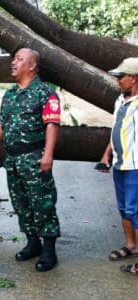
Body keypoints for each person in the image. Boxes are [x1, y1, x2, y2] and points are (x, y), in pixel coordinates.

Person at [0, 47, 61, 272]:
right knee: (21, 202)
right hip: (13, 159)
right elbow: (1, 122)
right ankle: (32, 243)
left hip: (35, 157)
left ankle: (49, 250)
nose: (13, 62)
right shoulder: (9, 95)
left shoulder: (45, 93)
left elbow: (52, 125)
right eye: (13, 58)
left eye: (19, 59)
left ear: (32, 65)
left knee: (43, 203)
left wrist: (48, 154)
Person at [97, 57, 138, 276]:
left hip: (136, 166)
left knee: (135, 211)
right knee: (123, 208)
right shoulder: (120, 101)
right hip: (120, 164)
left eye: (121, 77)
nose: (118, 81)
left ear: (133, 78)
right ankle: (131, 246)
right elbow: (116, 130)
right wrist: (106, 155)